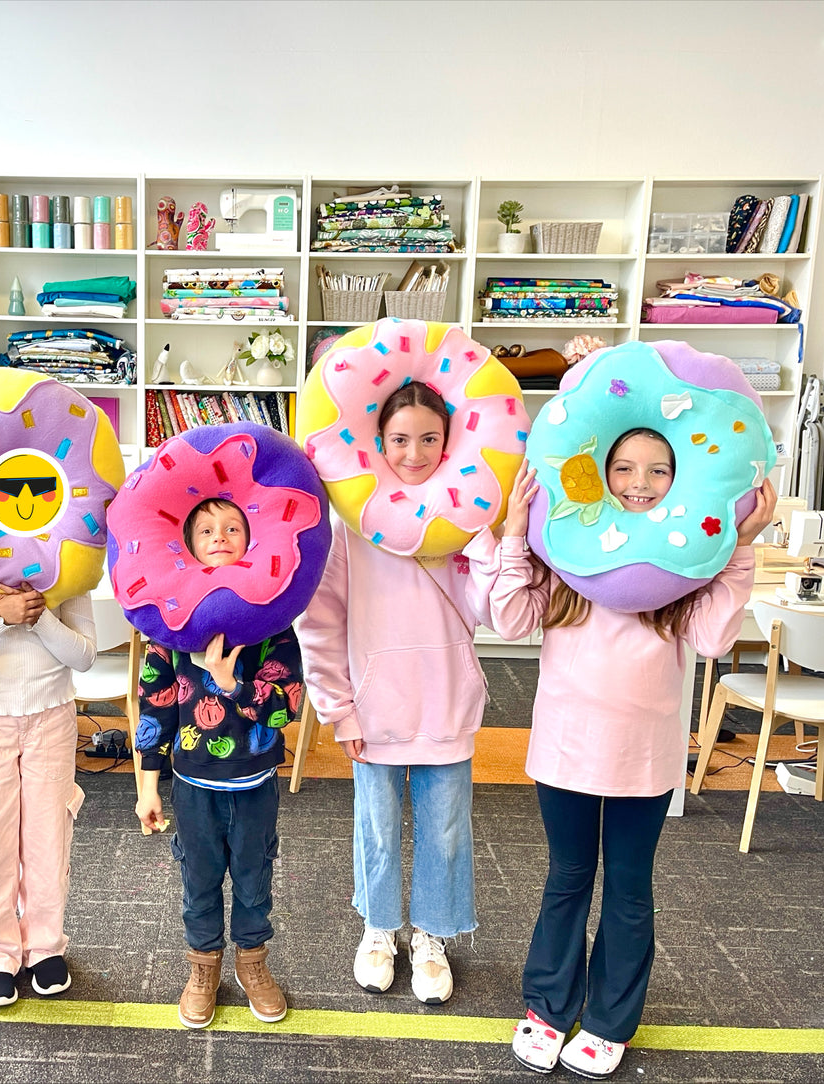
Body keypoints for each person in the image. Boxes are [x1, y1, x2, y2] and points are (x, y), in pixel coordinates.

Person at [468, 429, 776, 1078]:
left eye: (658, 469)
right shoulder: (571, 557)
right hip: (566, 750)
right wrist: (517, 534)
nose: (640, 481)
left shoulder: (680, 566)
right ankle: (549, 1008)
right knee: (567, 878)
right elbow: (511, 620)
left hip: (644, 757)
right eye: (625, 468)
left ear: (677, 479)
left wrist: (738, 546)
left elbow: (715, 637)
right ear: (600, 476)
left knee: (629, 889)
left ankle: (610, 1019)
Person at [297, 381, 494, 1006]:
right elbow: (320, 621)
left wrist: (489, 541)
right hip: (374, 707)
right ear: (378, 441)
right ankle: (379, 929)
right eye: (401, 438)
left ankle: (432, 937)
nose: (414, 452)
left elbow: (487, 611)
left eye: (429, 439)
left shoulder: (466, 518)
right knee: (377, 829)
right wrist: (339, 706)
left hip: (445, 700)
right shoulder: (350, 522)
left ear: (448, 442)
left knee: (444, 830)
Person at [134, 497, 305, 1030]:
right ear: (187, 547)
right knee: (199, 881)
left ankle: (253, 963)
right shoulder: (171, 630)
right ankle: (203, 967)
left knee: (254, 880)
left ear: (250, 541)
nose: (220, 535)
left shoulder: (273, 626)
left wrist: (234, 686)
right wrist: (146, 787)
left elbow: (289, 705)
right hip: (192, 785)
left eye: (233, 527)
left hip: (254, 784)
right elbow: (154, 710)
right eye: (206, 529)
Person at [0, 570, 97, 1009]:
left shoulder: (67, 561)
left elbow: (85, 655)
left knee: (48, 838)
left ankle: (45, 945)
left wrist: (39, 617)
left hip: (51, 714)